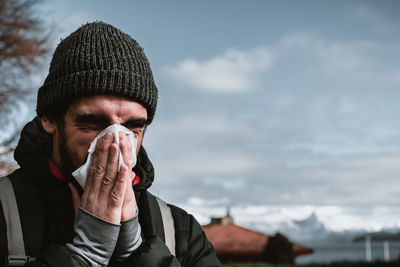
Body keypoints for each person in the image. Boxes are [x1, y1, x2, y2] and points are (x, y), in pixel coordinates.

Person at [0, 22, 220, 267]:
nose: (114, 142)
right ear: (50, 118)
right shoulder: (4, 211)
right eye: (93, 122)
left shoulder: (180, 231)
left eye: (133, 126)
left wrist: (140, 254)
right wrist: (83, 257)